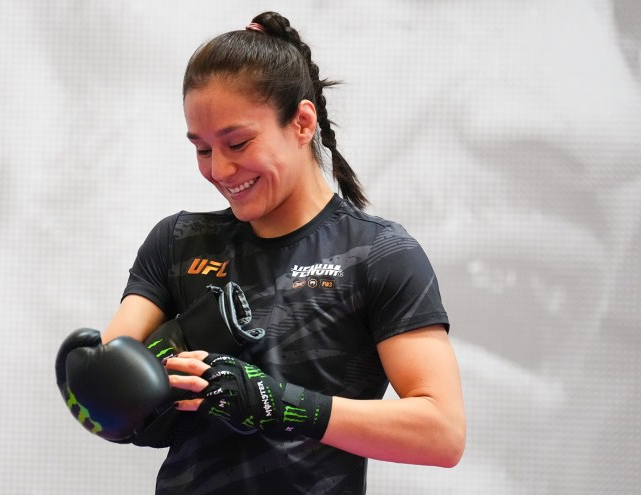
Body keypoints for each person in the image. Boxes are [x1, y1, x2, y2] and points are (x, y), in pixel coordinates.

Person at [101, 11, 466, 494]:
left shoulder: (379, 253)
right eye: (202, 149)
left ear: (301, 122)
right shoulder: (178, 241)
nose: (219, 169)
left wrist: (279, 402)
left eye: (237, 142)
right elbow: (108, 391)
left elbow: (442, 433)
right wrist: (131, 396)